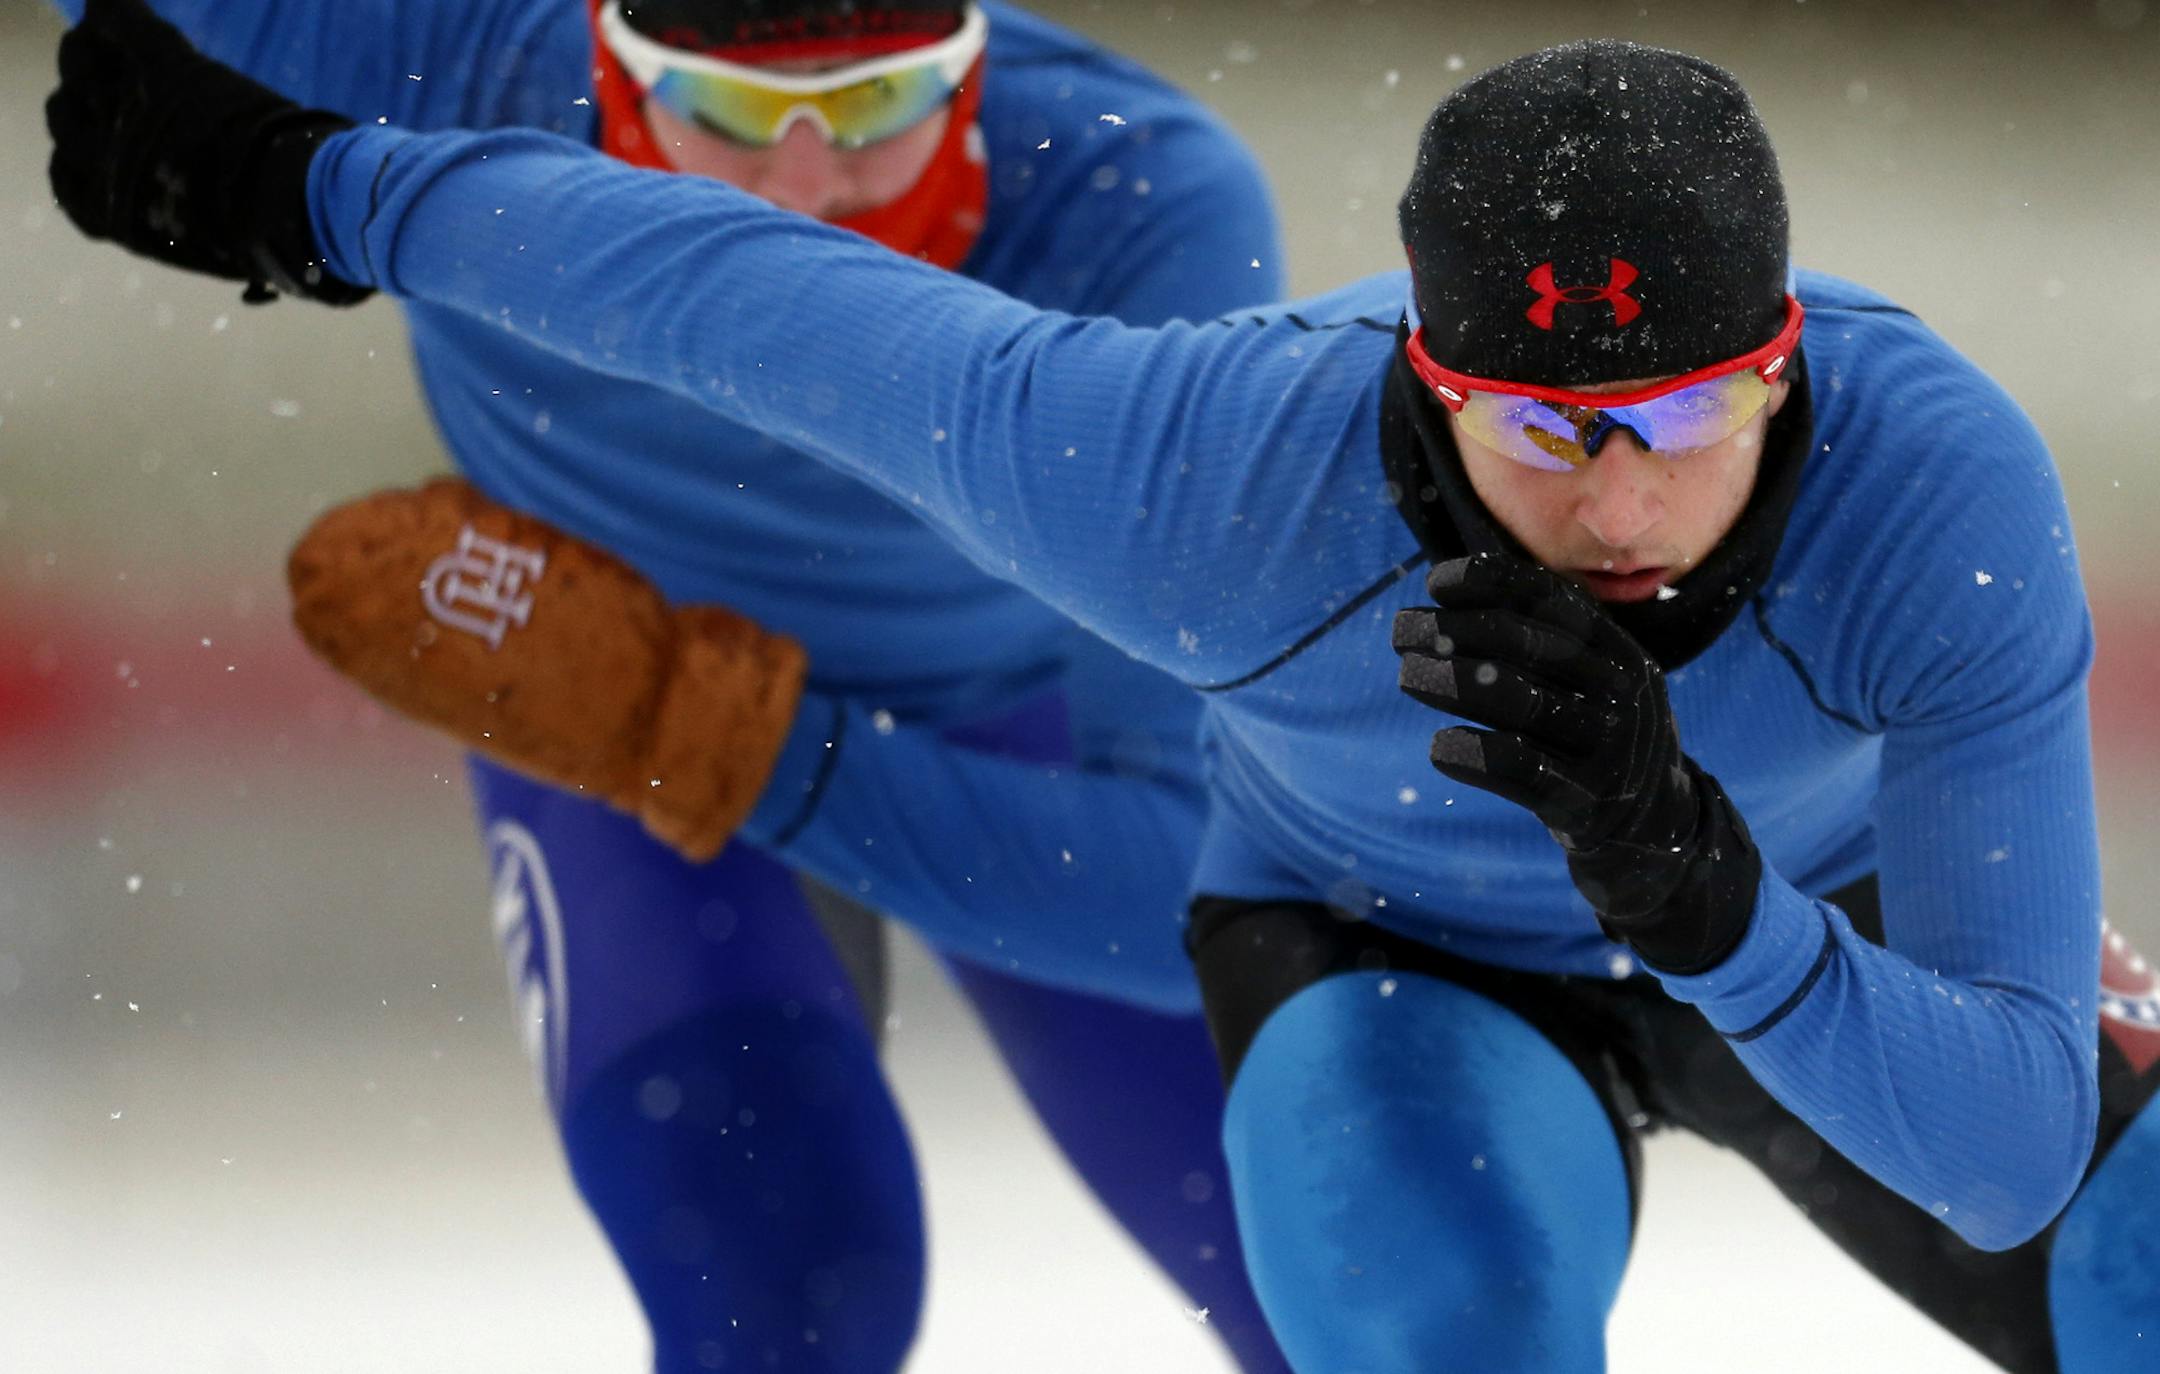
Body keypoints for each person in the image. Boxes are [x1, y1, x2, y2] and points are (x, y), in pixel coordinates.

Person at [46, 10, 2160, 1372]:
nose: (1616, 492)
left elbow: (1999, 1155)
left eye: (1684, 410)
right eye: (1537, 427)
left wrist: (1711, 904)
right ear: (1425, 381)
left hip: (1818, 911)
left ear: (1792, 368)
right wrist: (320, 192)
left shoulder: (1940, 491)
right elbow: (742, 299)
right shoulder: (1214, 472)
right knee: (1388, 1327)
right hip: (1406, 956)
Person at [35, 1, 1296, 1370]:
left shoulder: (1142, 201)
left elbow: (1156, 891)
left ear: (973, 71)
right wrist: (670, 726)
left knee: (1348, 1287)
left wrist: (685, 716)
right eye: (738, 114)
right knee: (789, 1284)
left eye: (876, 106)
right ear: (609, 70)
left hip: (778, 707)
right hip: (614, 725)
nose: (808, 190)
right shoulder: (446, 54)